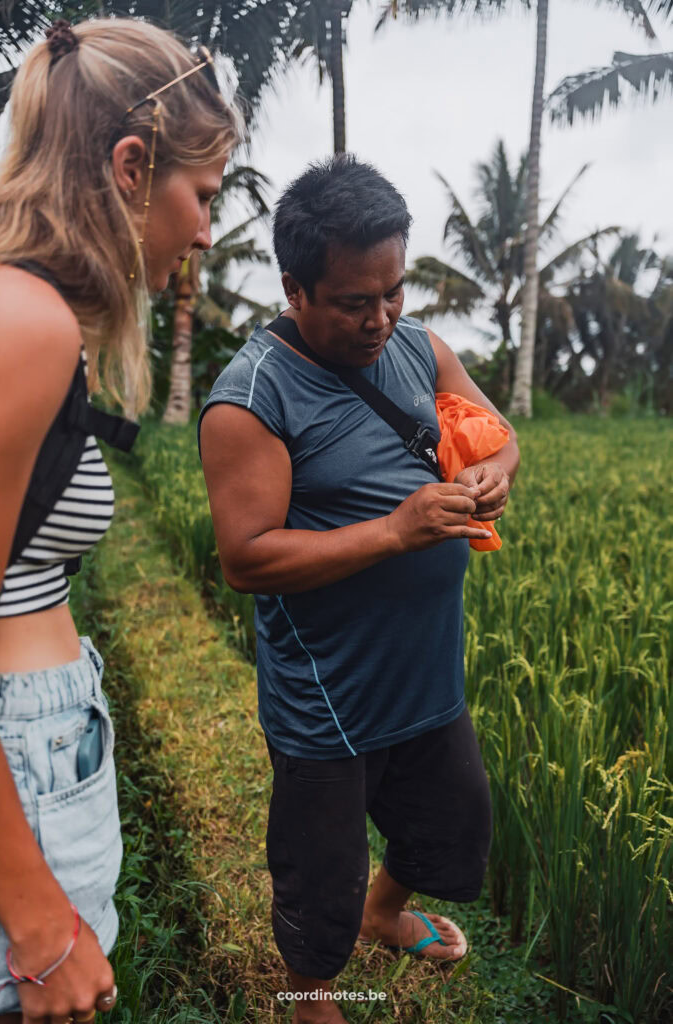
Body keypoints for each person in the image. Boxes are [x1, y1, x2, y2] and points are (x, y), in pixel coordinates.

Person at [199, 155, 520, 1024]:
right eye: (353, 301)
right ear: (295, 289)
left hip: (426, 672)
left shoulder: (420, 347)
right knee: (318, 864)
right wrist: (396, 531)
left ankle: (386, 912)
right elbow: (247, 558)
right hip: (329, 695)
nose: (381, 318)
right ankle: (313, 994)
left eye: (394, 290)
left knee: (451, 822)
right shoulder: (250, 398)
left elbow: (497, 437)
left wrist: (493, 472)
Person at [0, 17, 241, 1023]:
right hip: (19, 765)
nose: (209, 233)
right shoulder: (28, 323)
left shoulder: (28, 313)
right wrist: (36, 913)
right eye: (204, 195)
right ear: (132, 166)